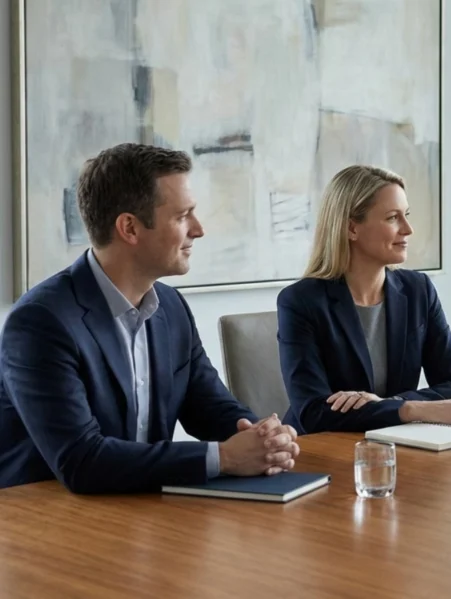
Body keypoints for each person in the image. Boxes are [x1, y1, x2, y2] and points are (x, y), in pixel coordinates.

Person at [0, 143, 300, 493]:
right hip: (47, 521)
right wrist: (225, 458)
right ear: (129, 228)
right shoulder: (40, 322)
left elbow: (208, 405)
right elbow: (82, 460)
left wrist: (261, 437)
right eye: (182, 215)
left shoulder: (171, 307)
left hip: (140, 508)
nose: (198, 229)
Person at [277, 165, 451, 434]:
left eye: (406, 215)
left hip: (395, 447)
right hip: (321, 453)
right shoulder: (300, 301)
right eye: (392, 218)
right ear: (352, 228)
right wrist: (407, 409)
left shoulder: (418, 290)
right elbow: (313, 412)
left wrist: (391, 403)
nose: (408, 229)